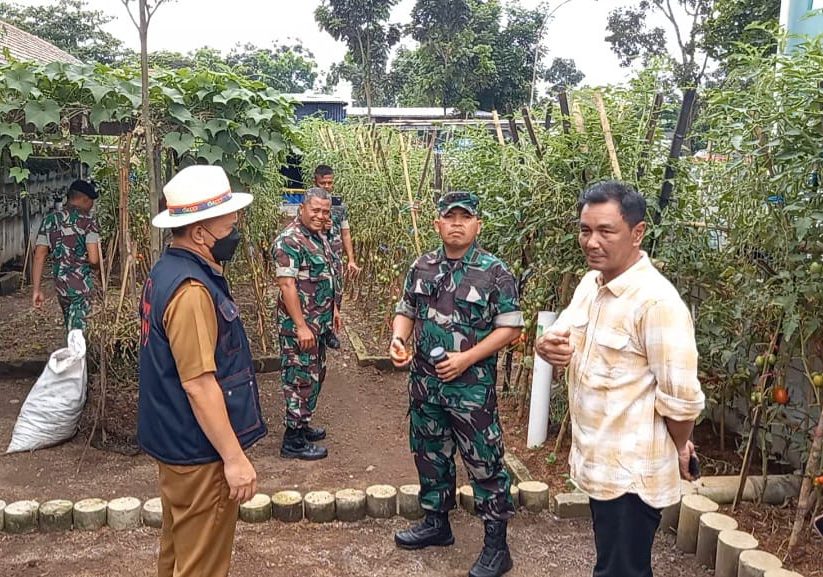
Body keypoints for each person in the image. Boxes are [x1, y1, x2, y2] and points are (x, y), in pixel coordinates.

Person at [535, 181, 706, 577]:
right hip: (600, 463)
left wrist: (679, 446)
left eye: (605, 231)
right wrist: (547, 348)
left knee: (621, 571)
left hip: (631, 476)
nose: (591, 242)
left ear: (637, 232)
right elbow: (559, 338)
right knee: (615, 565)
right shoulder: (591, 285)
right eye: (585, 230)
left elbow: (681, 400)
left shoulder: (657, 303)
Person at [137, 165, 266, 577]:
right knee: (202, 567)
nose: (235, 229)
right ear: (198, 233)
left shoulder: (165, 271)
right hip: (199, 453)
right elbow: (198, 384)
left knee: (178, 552)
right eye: (228, 223)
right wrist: (234, 458)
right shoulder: (192, 292)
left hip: (174, 442)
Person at [390, 191, 523, 577]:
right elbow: (406, 310)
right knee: (430, 454)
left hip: (471, 390)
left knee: (484, 463)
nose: (457, 223)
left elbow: (511, 327)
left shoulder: (494, 271)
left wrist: (466, 358)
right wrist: (399, 341)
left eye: (465, 217)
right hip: (426, 386)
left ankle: (497, 546)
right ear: (438, 224)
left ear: (477, 225)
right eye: (450, 217)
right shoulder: (422, 266)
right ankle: (436, 523)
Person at [272, 187, 339, 460]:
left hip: (319, 323)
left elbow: (328, 274)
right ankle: (293, 440)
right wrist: (300, 325)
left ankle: (302, 424)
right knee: (299, 378)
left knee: (314, 375)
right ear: (302, 209)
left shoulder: (319, 236)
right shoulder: (290, 240)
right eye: (316, 210)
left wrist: (333, 310)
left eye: (326, 211)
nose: (321, 216)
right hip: (299, 326)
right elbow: (287, 284)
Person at [32, 179, 100, 331]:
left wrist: (36, 289)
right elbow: (94, 258)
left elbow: (39, 256)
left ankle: (72, 351)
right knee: (78, 334)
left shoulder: (49, 221)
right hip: (81, 288)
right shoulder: (88, 222)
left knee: (71, 327)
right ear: (84, 199)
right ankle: (76, 354)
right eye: (91, 202)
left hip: (61, 287)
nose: (91, 206)